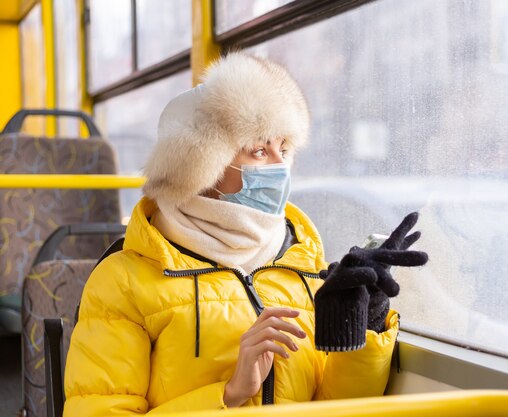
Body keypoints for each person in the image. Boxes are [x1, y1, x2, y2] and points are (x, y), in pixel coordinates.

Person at [63, 52, 427, 416]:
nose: (280, 165)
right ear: (202, 164)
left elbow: (334, 406)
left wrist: (366, 320)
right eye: (259, 150)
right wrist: (230, 394)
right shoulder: (122, 282)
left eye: (284, 149)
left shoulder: (303, 263)